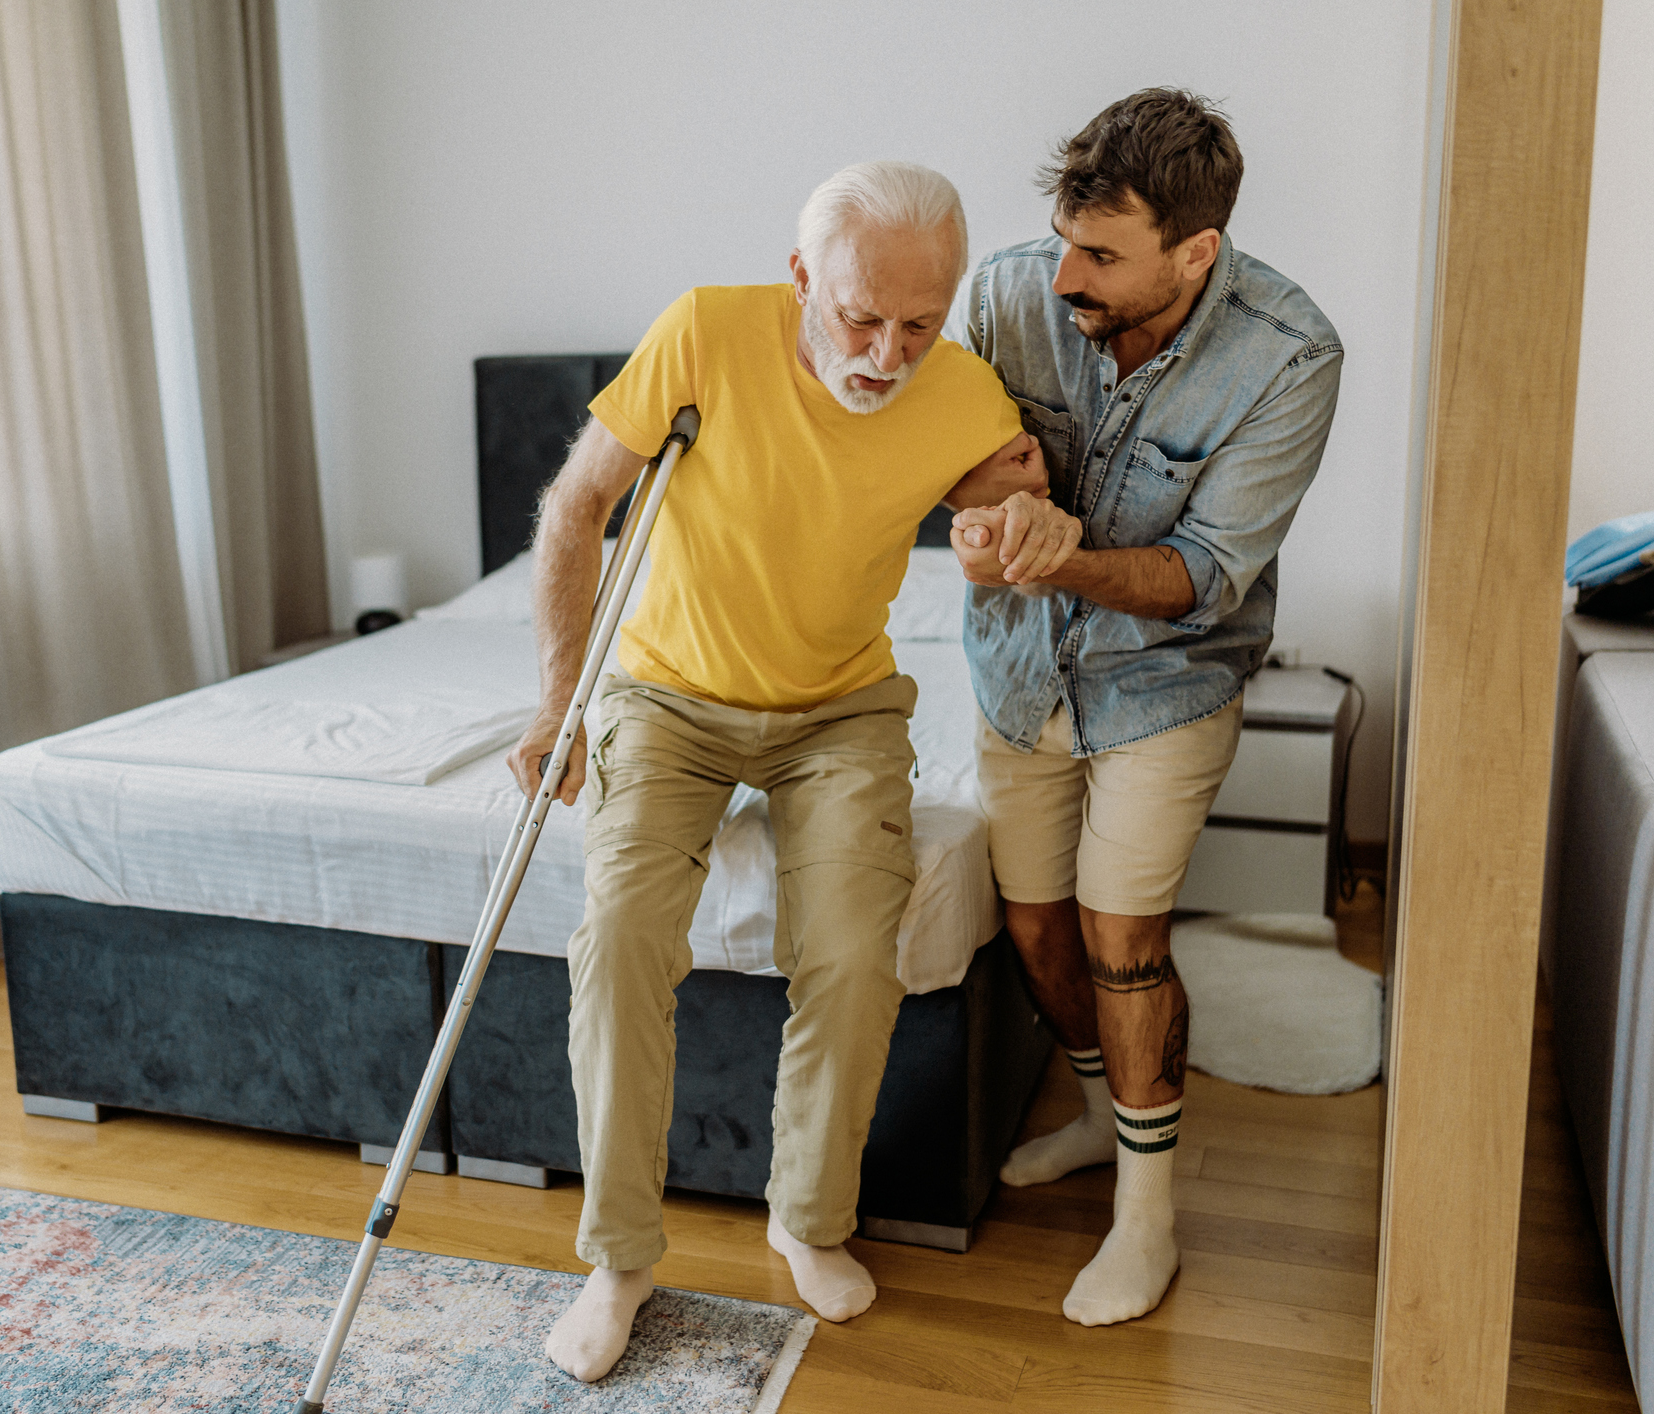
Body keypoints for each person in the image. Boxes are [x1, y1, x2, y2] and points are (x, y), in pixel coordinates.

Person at [506, 160, 1063, 1383]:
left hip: (839, 708)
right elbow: (576, 509)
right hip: (667, 691)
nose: (888, 350)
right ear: (802, 275)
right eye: (862, 317)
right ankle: (620, 1261)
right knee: (621, 934)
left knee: (861, 944)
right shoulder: (706, 330)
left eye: (921, 321)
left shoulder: (961, 389)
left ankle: (807, 1219)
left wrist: (1019, 523)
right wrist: (563, 702)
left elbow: (1000, 515)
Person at [948, 88, 1343, 1327]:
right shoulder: (1012, 294)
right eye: (1064, 236)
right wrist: (979, 515)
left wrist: (1059, 554)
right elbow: (932, 466)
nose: (1067, 272)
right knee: (1034, 927)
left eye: (1103, 255)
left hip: (1167, 679)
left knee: (1124, 937)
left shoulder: (1289, 355)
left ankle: (1147, 1214)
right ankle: (1091, 1112)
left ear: (1196, 251)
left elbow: (1201, 576)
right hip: (1017, 670)